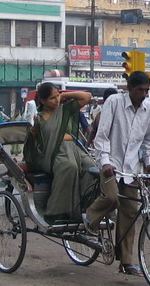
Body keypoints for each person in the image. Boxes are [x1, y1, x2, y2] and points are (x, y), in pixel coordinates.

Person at [90, 71, 150, 276]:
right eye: (140, 90)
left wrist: (148, 163)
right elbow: (102, 135)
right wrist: (104, 161)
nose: (144, 94)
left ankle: (126, 261)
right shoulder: (114, 102)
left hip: (131, 169)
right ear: (129, 88)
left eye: (147, 90)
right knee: (111, 198)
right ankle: (89, 218)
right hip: (110, 162)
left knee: (130, 211)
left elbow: (149, 141)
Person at [24, 84, 98, 223]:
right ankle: (58, 212)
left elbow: (86, 96)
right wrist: (32, 134)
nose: (56, 100)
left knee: (91, 167)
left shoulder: (65, 109)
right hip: (54, 153)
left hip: (74, 150)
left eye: (57, 96)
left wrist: (63, 95)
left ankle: (84, 205)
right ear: (42, 100)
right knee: (69, 167)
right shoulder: (39, 118)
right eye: (52, 98)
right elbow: (35, 143)